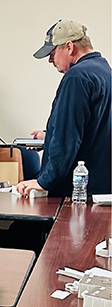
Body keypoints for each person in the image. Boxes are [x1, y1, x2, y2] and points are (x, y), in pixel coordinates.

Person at [17, 19, 111, 198]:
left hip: (76, 192)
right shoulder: (105, 71)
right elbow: (94, 128)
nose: (50, 60)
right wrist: (49, 135)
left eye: (52, 52)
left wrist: (43, 181)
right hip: (102, 188)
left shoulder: (77, 76)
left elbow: (68, 138)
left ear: (69, 47)